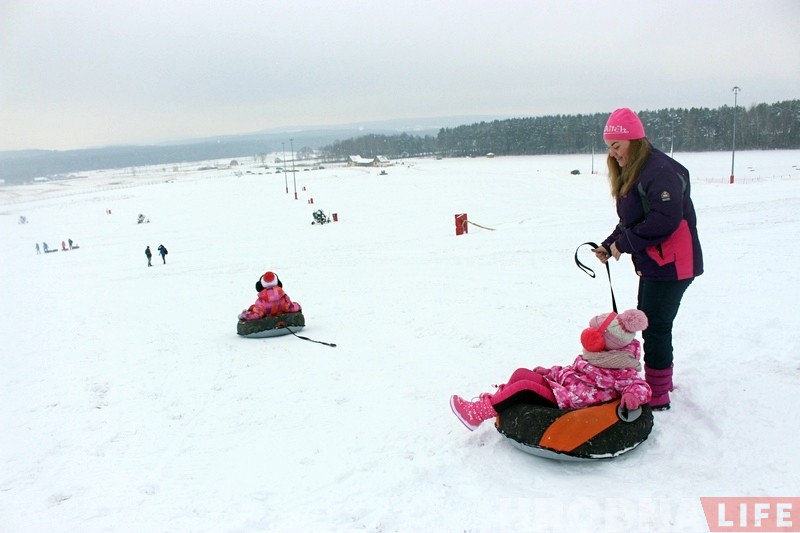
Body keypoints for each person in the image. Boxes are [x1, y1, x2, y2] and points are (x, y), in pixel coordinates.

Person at [592, 108, 703, 410]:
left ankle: (657, 394)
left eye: (617, 145)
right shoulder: (638, 170)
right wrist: (610, 244)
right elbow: (632, 219)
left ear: (634, 140)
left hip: (674, 263)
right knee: (651, 321)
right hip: (656, 263)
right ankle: (658, 384)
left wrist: (624, 244)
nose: (613, 153)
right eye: (609, 147)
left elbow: (664, 219)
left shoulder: (659, 171)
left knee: (655, 325)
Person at [450, 309, 652, 431]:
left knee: (525, 387)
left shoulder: (621, 367)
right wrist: (550, 373)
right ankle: (499, 400)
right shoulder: (596, 355)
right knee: (522, 373)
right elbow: (572, 370)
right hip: (562, 388)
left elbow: (639, 385)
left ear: (608, 342)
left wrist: (633, 397)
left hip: (568, 401)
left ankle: (476, 414)